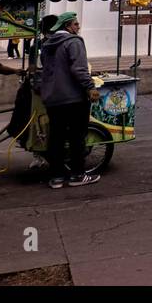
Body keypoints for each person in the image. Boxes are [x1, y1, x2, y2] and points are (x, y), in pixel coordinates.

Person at [39, 12, 101, 188]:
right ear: (67, 26)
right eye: (75, 24)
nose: (78, 27)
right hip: (73, 98)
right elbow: (79, 69)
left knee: (56, 137)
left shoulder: (47, 44)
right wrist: (90, 87)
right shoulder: (74, 42)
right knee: (76, 137)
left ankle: (57, 177)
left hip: (53, 98)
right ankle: (77, 175)